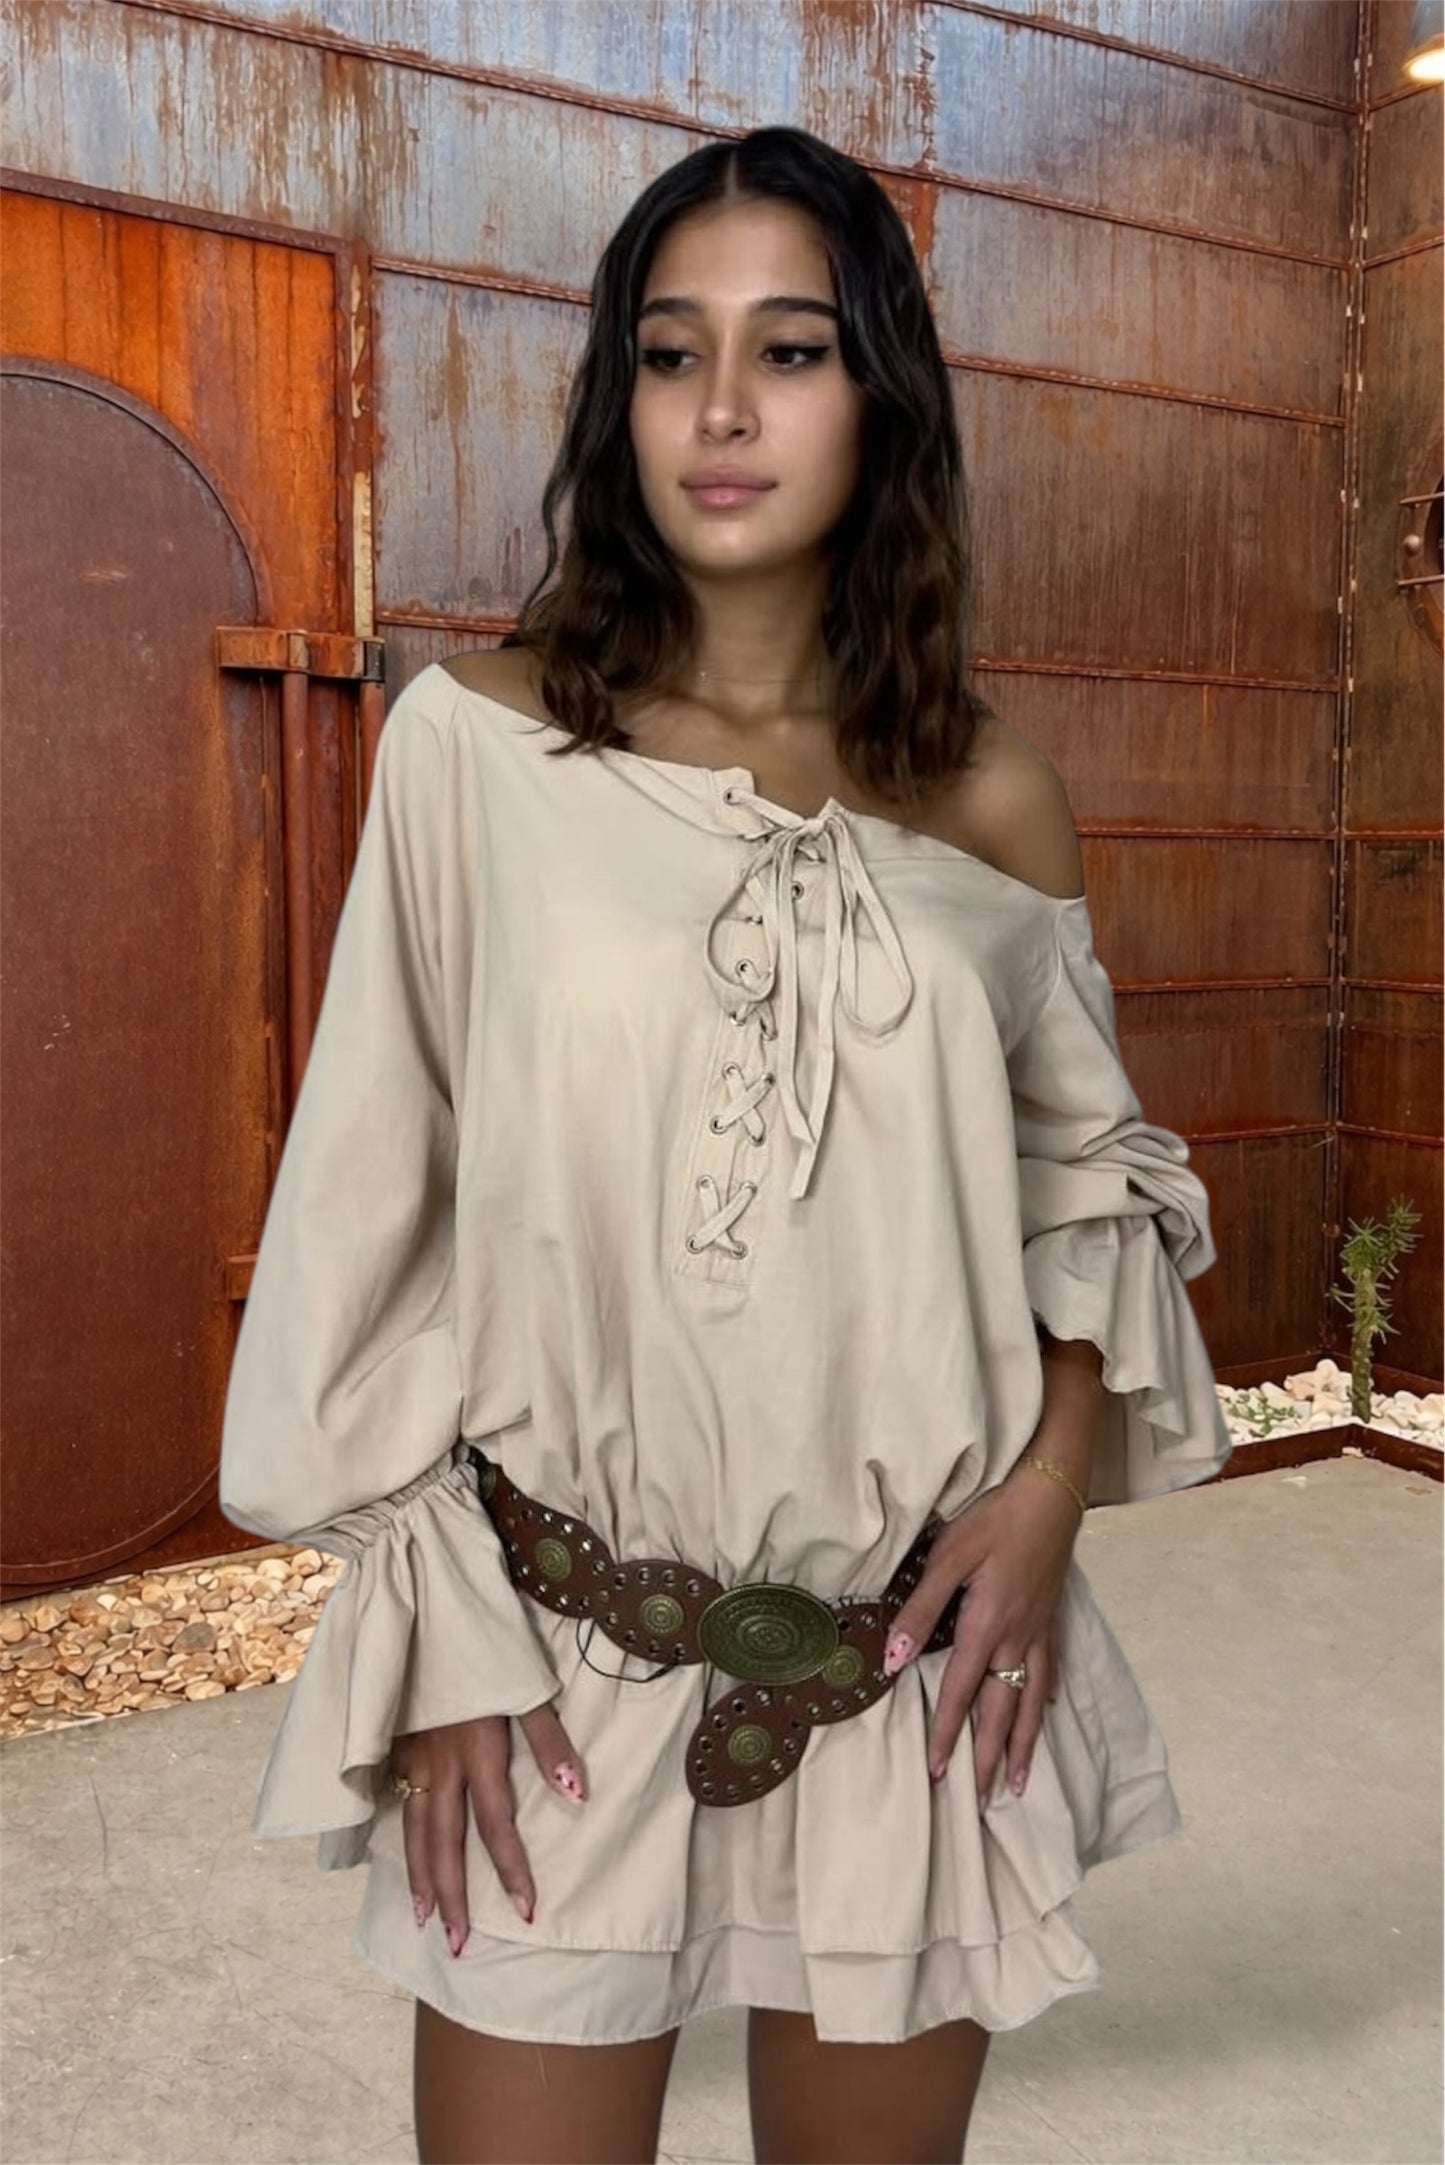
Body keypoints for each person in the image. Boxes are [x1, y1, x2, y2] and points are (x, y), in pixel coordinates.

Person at [218, 125, 1232, 2165]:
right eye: (673, 354)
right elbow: (369, 1204)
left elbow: (1083, 1193)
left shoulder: (991, 799)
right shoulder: (474, 751)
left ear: (882, 398)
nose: (725, 410)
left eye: (791, 349)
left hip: (909, 1677)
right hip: (562, 1650)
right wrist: (441, 1634)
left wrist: (1048, 1493)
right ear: (621, 404)